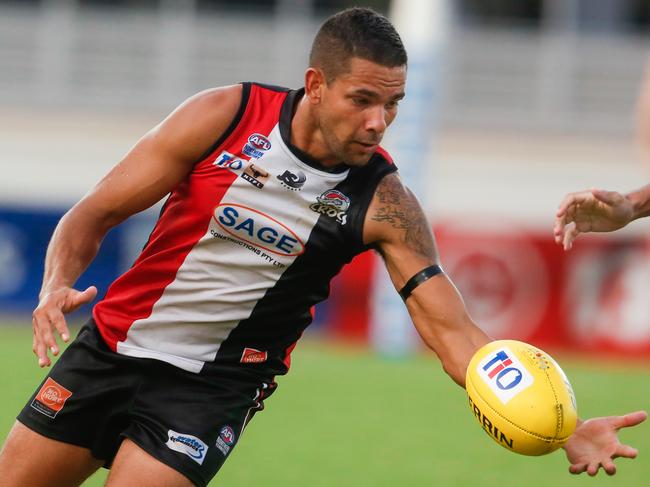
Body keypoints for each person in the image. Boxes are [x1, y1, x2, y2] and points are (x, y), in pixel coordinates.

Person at [0, 8, 645, 487]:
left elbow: (458, 338)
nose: (377, 121)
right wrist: (58, 280)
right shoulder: (224, 115)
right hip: (110, 349)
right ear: (315, 84)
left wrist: (564, 427)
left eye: (392, 104)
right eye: (362, 100)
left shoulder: (385, 202)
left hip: (213, 388)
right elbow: (94, 211)